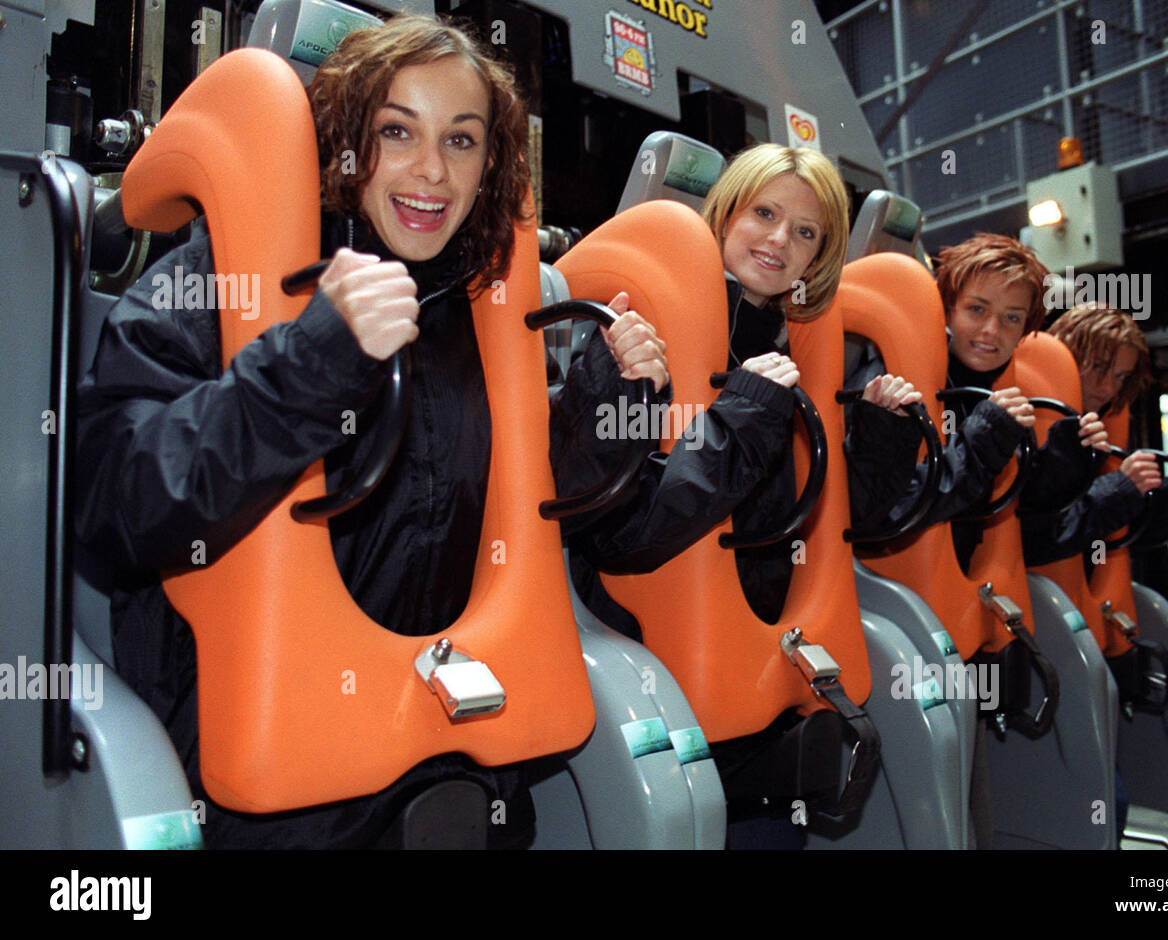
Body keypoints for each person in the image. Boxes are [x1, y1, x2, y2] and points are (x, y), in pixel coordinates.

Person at [75, 13, 666, 849]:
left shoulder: (484, 318)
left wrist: (614, 400)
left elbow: (533, 510)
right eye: (398, 131)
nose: (431, 171)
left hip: (455, 776)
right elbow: (112, 503)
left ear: (490, 162)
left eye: (461, 142)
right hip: (282, 799)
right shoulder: (225, 276)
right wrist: (310, 360)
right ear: (347, 139)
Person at [567, 143, 923, 630]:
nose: (779, 239)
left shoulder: (801, 367)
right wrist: (742, 418)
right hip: (644, 633)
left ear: (817, 259)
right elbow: (617, 534)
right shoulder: (641, 334)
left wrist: (884, 433)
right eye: (764, 212)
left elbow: (842, 523)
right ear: (726, 213)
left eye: (805, 232)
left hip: (758, 638)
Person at [852, 233, 1111, 567]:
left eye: (1012, 317)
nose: (992, 329)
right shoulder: (890, 380)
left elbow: (1028, 524)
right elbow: (886, 509)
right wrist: (987, 438)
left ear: (1025, 329)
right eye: (977, 309)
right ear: (947, 310)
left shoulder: (1005, 404)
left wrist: (1070, 456)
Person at [1019, 302, 1168, 567]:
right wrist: (1121, 488)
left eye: (1120, 376)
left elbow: (1115, 536)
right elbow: (1034, 540)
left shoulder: (1107, 426)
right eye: (1097, 368)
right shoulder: (1021, 420)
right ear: (1065, 356)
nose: (1107, 387)